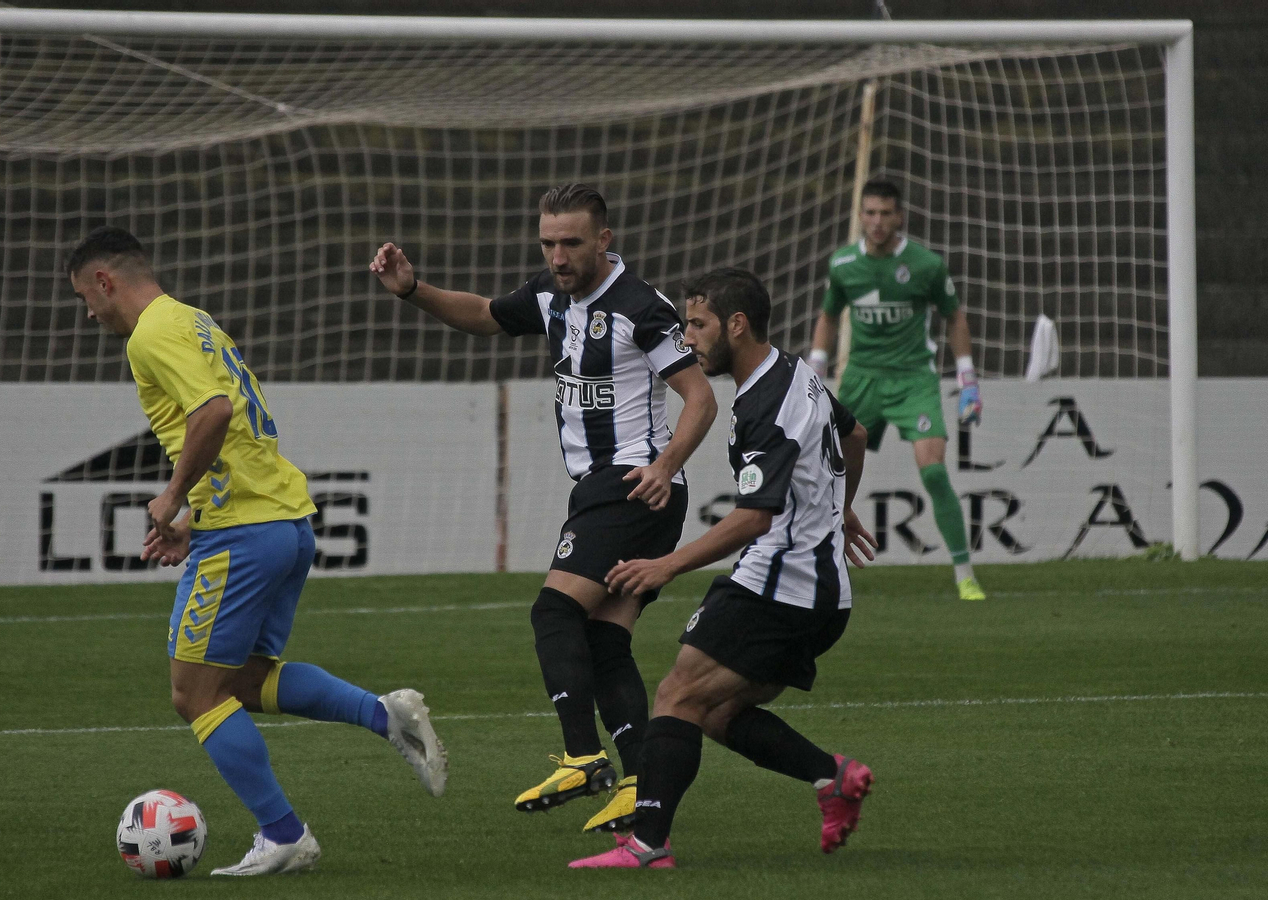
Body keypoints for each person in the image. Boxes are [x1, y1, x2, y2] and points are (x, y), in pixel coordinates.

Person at [68, 226, 446, 877]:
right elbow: (233, 419)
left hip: (245, 531)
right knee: (240, 681)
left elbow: (213, 412)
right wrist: (197, 519)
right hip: (278, 521)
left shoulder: (151, 333)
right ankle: (383, 715)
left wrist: (172, 498)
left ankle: (283, 833)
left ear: (105, 281)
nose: (88, 311)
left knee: (193, 693)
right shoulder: (194, 322)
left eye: (84, 296)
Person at [370, 184, 718, 835]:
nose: (558, 256)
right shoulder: (549, 294)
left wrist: (665, 467)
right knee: (603, 639)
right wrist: (414, 290)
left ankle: (583, 758)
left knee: (554, 611)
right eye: (549, 242)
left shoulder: (642, 308)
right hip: (601, 488)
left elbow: (699, 398)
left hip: (633, 487)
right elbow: (483, 314)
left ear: (604, 240)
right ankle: (639, 784)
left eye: (571, 243)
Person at [570, 268, 877, 869]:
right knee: (716, 711)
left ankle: (647, 845)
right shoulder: (796, 374)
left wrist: (666, 565)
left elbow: (754, 518)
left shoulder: (763, 403)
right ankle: (831, 777)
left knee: (677, 695)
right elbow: (856, 434)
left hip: (780, 587)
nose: (687, 338)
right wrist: (839, 509)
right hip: (821, 593)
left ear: (737, 324)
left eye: (698, 324)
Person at [808, 178, 985, 601]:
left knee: (935, 470)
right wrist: (815, 369)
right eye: (869, 213)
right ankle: (815, 566)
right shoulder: (843, 264)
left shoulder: (925, 265)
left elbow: (954, 317)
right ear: (861, 216)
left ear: (899, 216)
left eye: (885, 213)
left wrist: (968, 380)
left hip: (913, 380)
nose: (877, 221)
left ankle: (965, 574)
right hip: (860, 379)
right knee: (818, 473)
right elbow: (829, 317)